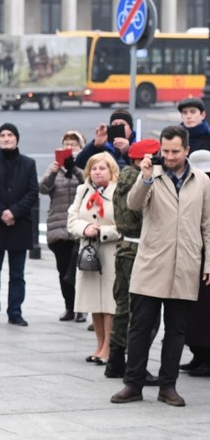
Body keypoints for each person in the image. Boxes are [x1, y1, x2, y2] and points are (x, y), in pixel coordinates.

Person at [111, 125, 210, 407]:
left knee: (176, 330)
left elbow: (208, 225)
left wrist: (209, 263)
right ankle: (133, 383)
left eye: (175, 151)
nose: (169, 156)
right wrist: (144, 178)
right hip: (152, 263)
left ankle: (168, 386)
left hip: (185, 265)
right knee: (140, 327)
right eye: (164, 151)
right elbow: (133, 204)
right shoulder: (151, 176)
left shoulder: (202, 181)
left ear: (186, 150)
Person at [104, 138, 162, 381]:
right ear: (142, 160)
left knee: (123, 308)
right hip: (139, 249)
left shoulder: (123, 178)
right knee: (144, 315)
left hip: (124, 247)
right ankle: (135, 365)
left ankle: (115, 361)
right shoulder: (140, 181)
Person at [0, 123, 38, 326]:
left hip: (19, 225)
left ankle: (15, 311)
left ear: (16, 138)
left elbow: (32, 193)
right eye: (2, 135)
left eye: (10, 134)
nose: (5, 138)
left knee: (17, 274)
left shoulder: (28, 164)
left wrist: (14, 212)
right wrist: (2, 211)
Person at [67, 153, 122, 365]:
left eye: (102, 168)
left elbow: (123, 225)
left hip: (109, 252)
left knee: (109, 303)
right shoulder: (83, 190)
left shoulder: (117, 191)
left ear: (111, 171)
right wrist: (85, 228)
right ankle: (99, 345)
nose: (97, 172)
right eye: (94, 168)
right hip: (88, 252)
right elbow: (72, 219)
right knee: (94, 303)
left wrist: (102, 231)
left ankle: (108, 347)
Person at [39, 130, 85, 322]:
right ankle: (69, 306)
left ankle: (82, 308)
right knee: (63, 271)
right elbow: (42, 188)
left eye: (74, 144)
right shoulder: (55, 169)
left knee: (80, 271)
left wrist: (74, 168)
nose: (69, 147)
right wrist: (54, 170)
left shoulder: (84, 167)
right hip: (58, 226)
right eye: (66, 144)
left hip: (80, 227)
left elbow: (88, 183)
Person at [182, 149, 210, 376]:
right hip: (193, 254)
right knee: (193, 310)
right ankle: (198, 354)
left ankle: (206, 358)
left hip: (205, 257)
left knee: (203, 311)